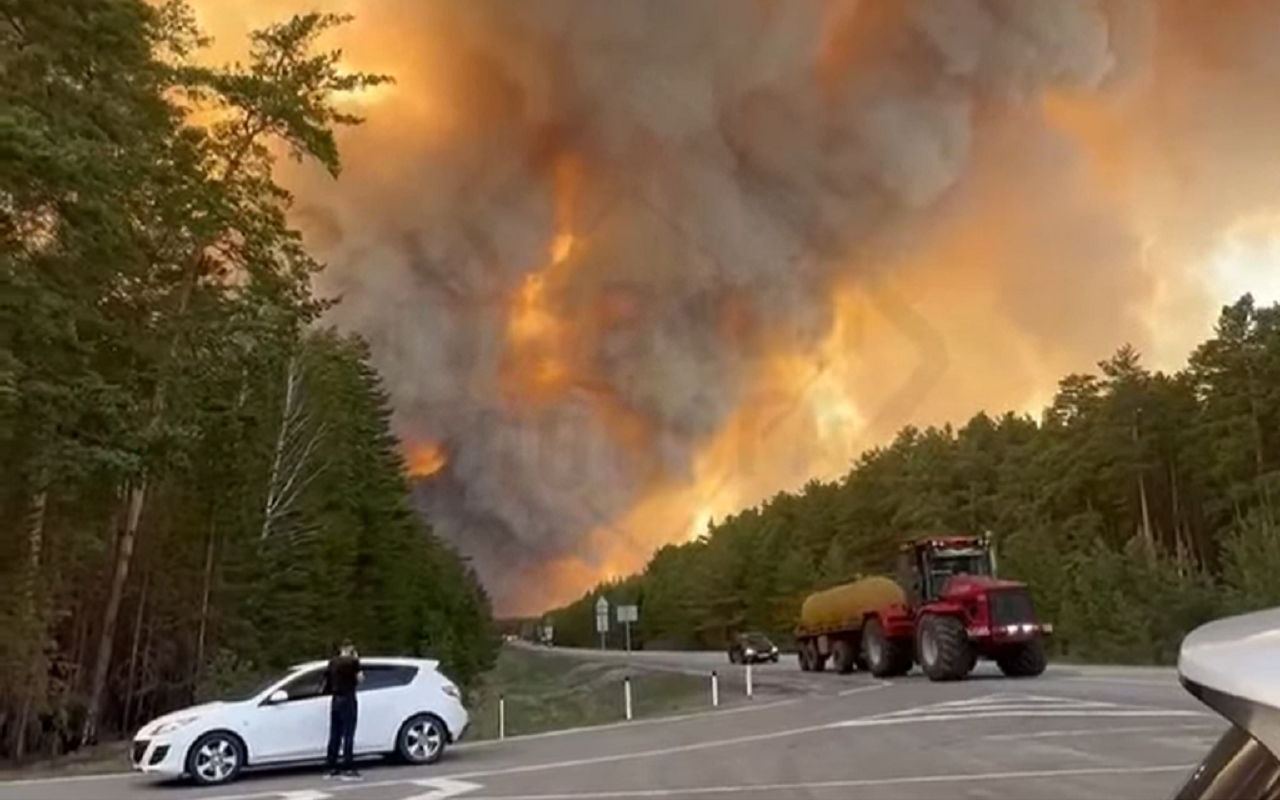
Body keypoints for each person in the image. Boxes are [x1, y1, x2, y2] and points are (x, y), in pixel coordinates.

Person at [322, 640, 363, 780]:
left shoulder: (332, 662)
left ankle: (331, 766)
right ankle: (348, 766)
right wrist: (357, 660)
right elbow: (360, 679)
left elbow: (327, 681)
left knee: (335, 734)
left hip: (335, 700)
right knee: (348, 734)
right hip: (348, 698)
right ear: (350, 648)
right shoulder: (353, 662)